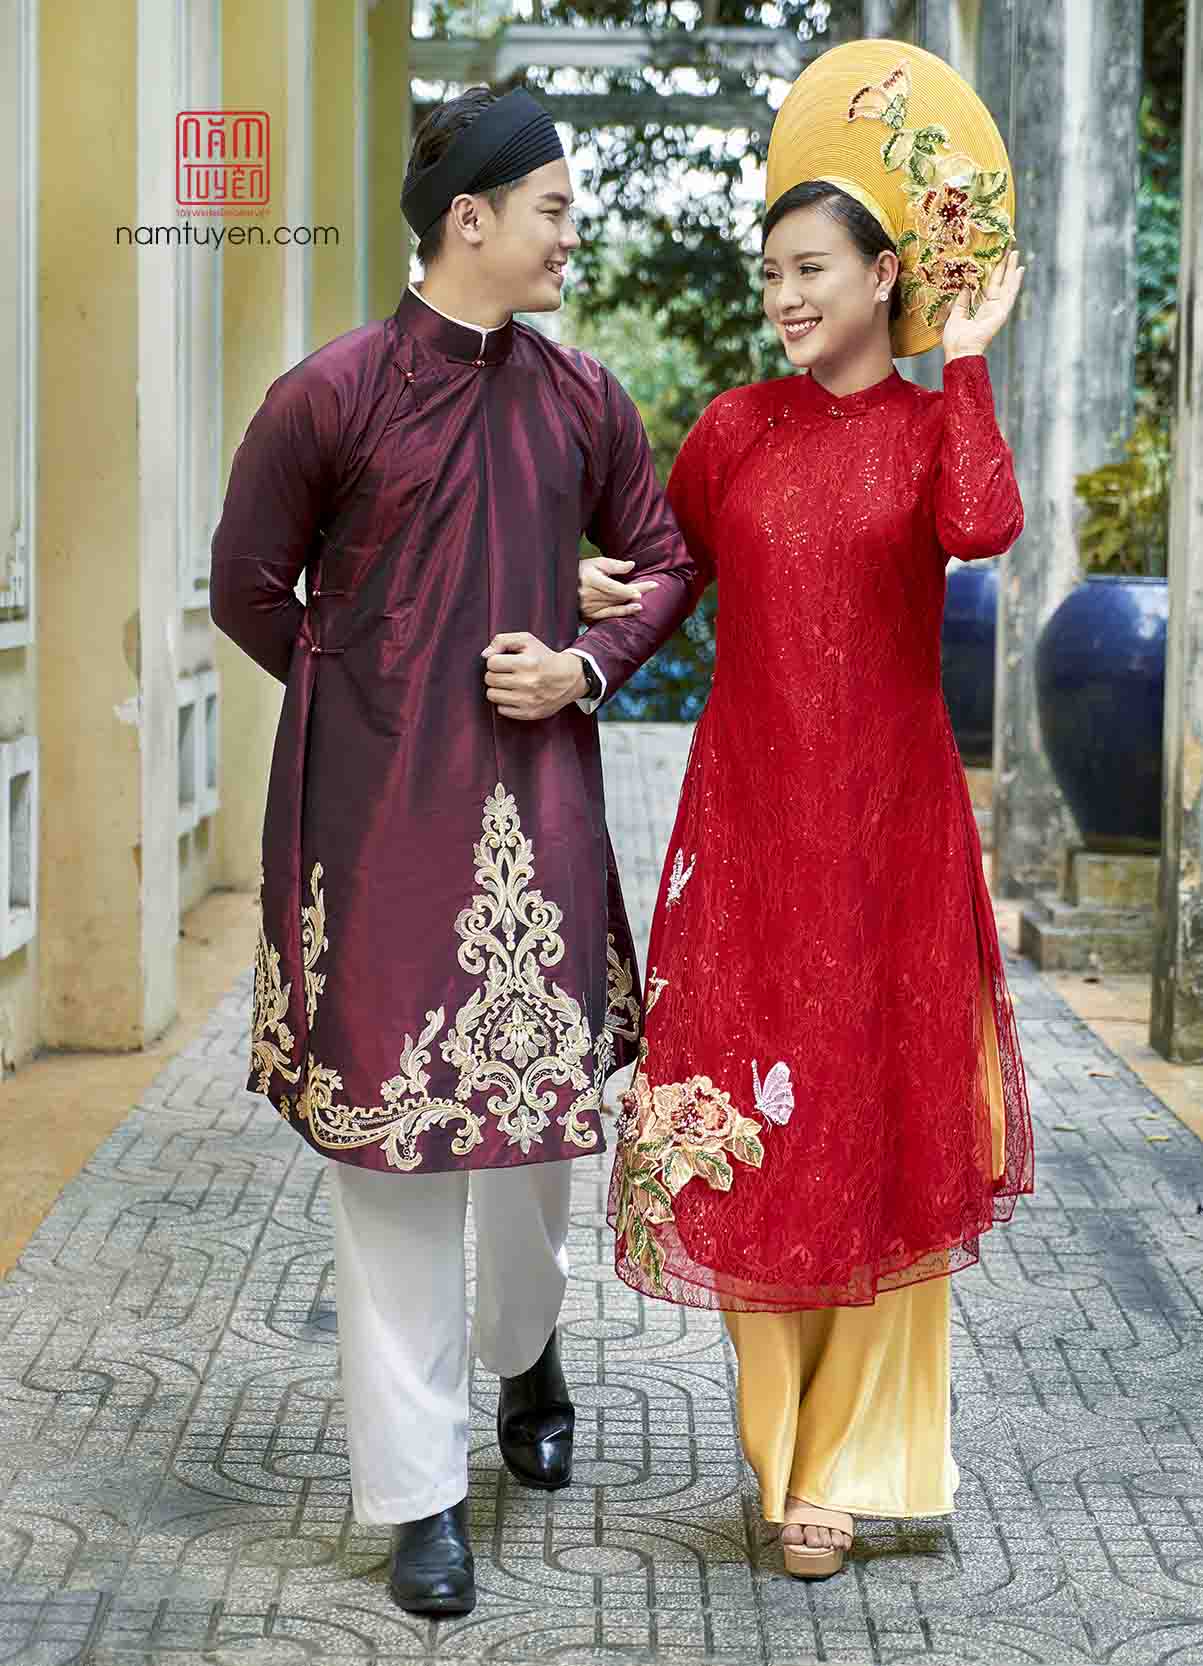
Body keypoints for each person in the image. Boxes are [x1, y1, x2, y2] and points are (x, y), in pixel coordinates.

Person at [210, 85, 695, 1618]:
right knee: (393, 1164)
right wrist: (368, 689)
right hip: (378, 836)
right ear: (469, 220)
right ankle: (418, 1492)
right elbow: (248, 586)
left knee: (537, 1149)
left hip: (538, 824)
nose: (572, 234)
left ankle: (525, 1347)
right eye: (555, 208)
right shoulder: (328, 399)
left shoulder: (583, 399)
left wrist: (584, 665)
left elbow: (664, 559)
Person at [582, 40, 1034, 1579]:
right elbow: (671, 570)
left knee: (878, 1127)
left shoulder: (928, 428)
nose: (783, 295)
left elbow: (985, 521)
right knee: (745, 1127)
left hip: (894, 838)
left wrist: (969, 356)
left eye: (812, 270)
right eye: (771, 271)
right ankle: (780, 1448)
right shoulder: (732, 430)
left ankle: (841, 1461)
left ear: (882, 275)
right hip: (750, 833)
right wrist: (589, 610)